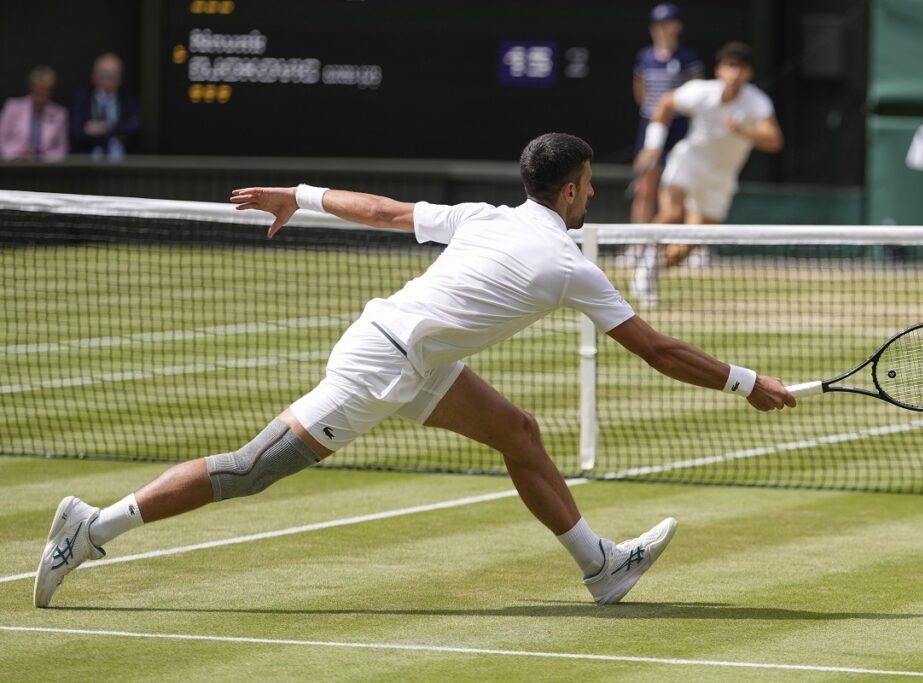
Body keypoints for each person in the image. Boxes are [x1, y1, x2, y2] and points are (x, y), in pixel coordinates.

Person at [33, 133, 796, 610]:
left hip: (415, 355)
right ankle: (91, 527)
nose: (594, 194)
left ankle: (600, 567)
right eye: (590, 185)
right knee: (250, 469)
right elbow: (658, 350)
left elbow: (382, 211)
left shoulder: (483, 216)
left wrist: (298, 194)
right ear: (567, 192)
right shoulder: (567, 263)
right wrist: (745, 380)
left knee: (518, 432)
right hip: (380, 362)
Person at [633, 42, 784, 306]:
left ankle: (654, 270)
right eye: (730, 67)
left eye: (740, 68)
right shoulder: (700, 92)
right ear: (719, 70)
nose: (734, 74)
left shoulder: (757, 102)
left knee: (695, 241)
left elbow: (774, 140)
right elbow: (666, 103)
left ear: (748, 73)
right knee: (671, 213)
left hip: (721, 178)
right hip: (688, 161)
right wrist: (654, 145)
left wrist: (742, 130)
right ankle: (644, 263)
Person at [630, 3, 704, 225]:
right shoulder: (644, 57)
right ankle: (638, 245)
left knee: (682, 189)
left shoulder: (688, 58)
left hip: (680, 127)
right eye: (658, 24)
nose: (662, 29)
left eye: (667, 23)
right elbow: (640, 91)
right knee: (644, 188)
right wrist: (655, 117)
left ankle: (687, 244)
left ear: (677, 26)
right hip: (650, 127)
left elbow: (697, 93)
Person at [69, 53, 142, 160]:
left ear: (120, 79)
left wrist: (104, 128)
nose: (110, 79)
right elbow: (76, 131)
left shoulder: (128, 100)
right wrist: (114, 133)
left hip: (121, 161)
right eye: (105, 75)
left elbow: (135, 126)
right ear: (94, 76)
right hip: (87, 161)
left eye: (114, 75)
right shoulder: (82, 99)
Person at [0, 66, 68, 162]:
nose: (41, 92)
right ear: (31, 87)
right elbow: (1, 141)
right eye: (38, 88)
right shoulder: (13, 107)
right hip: (14, 164)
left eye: (45, 89)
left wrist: (42, 158)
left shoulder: (60, 114)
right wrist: (18, 153)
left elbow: (61, 150)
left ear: (51, 90)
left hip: (47, 168)